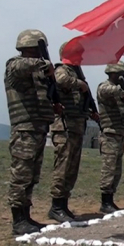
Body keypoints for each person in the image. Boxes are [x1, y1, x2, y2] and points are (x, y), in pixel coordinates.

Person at [4, 29, 56, 234]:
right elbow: (21, 65)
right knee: (21, 174)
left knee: (32, 175)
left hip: (38, 128)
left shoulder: (37, 72)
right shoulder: (15, 65)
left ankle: (26, 217)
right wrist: (44, 65)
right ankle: (18, 220)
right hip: (24, 129)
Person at [47, 42, 99, 222]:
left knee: (71, 169)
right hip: (65, 126)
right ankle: (56, 206)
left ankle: (63, 204)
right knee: (63, 166)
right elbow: (60, 80)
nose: (82, 57)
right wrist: (80, 84)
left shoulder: (75, 72)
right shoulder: (63, 70)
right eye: (79, 53)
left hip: (76, 127)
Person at [96, 61, 124, 213]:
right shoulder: (105, 87)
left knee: (116, 171)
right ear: (112, 74)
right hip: (109, 134)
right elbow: (107, 90)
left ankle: (110, 199)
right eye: (119, 75)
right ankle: (105, 202)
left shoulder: (118, 94)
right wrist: (123, 93)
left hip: (119, 135)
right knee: (109, 169)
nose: (122, 78)